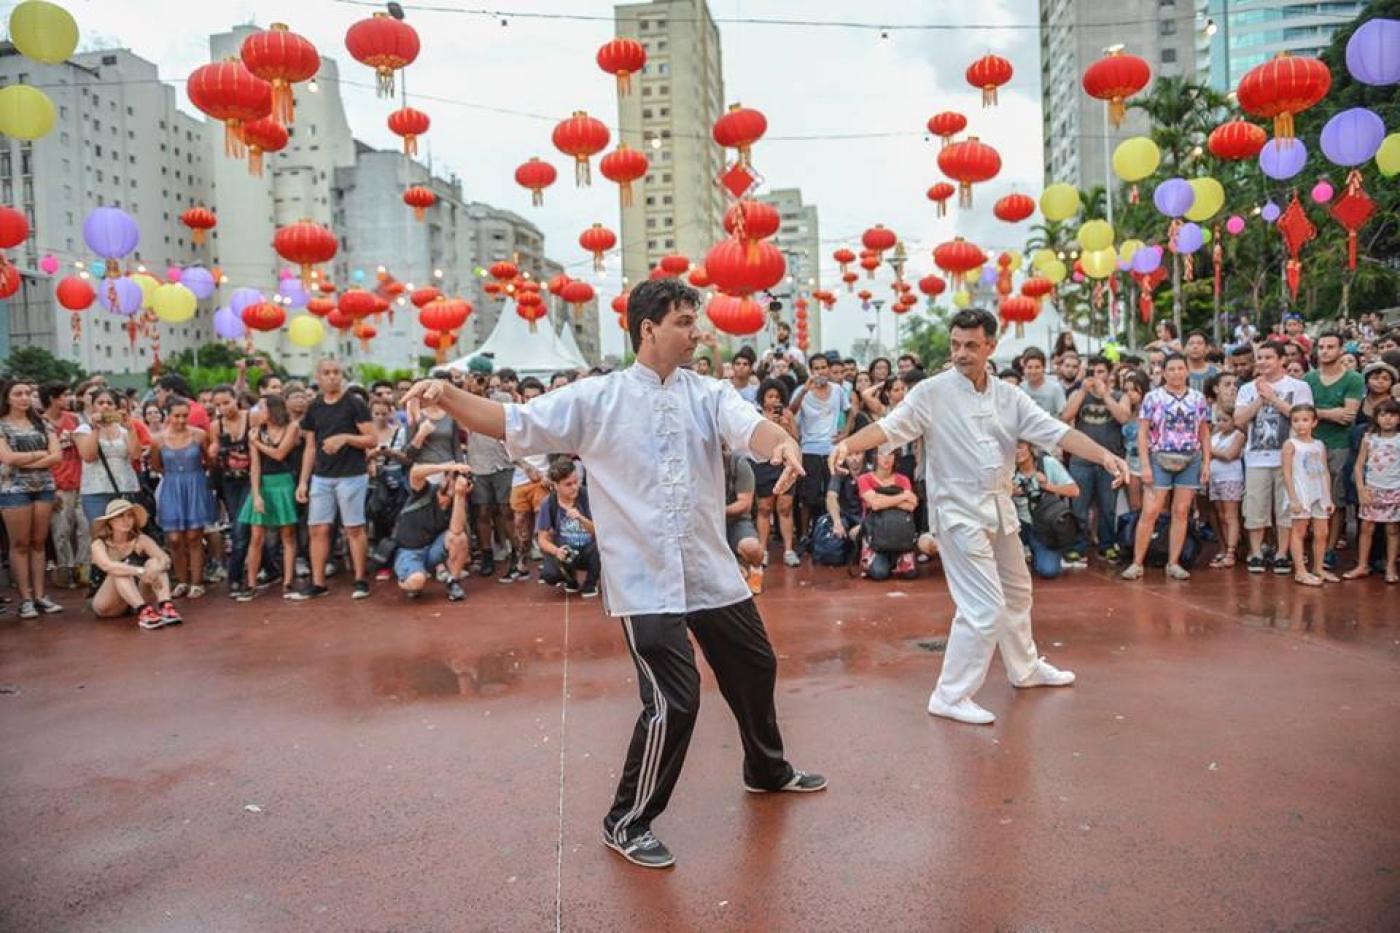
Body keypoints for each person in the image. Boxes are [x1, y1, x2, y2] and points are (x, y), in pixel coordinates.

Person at [402, 277, 825, 870]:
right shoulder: (594, 399)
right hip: (644, 580)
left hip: (709, 569)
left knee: (755, 665)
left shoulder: (708, 392)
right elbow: (511, 421)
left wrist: (782, 445)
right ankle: (626, 822)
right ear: (648, 328)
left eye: (694, 320)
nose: (695, 331)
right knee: (674, 703)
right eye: (683, 321)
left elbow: (753, 428)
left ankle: (766, 767)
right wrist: (446, 394)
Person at [832, 308, 1131, 726]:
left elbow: (1056, 433)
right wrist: (848, 446)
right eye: (956, 345)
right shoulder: (931, 392)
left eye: (971, 345)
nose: (961, 353)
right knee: (983, 606)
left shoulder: (1009, 397)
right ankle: (950, 695)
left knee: (1017, 592)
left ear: (991, 346)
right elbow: (890, 427)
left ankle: (1024, 668)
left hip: (999, 507)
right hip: (957, 513)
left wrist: (1105, 456)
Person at [1122, 355, 1212, 581]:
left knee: (1181, 511)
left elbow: (1204, 431)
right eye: (1170, 369)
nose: (1176, 373)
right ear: (1163, 373)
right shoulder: (1153, 398)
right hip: (1159, 456)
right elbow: (1142, 432)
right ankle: (1137, 562)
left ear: (1187, 371)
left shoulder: (1198, 398)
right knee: (1150, 511)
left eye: (1180, 368)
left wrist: (1206, 462)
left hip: (1190, 458)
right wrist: (1145, 465)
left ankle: (1173, 562)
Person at [293, 358, 376, 600]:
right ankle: (318, 583)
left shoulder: (355, 403)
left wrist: (345, 438)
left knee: (354, 528)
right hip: (321, 476)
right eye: (327, 372)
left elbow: (372, 439)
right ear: (318, 376)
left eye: (336, 372)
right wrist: (303, 481)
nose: (332, 377)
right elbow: (309, 446)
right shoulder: (315, 406)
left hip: (352, 474)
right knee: (317, 529)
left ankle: (360, 579)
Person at [1235, 341, 1314, 574]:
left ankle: (1282, 553)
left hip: (1288, 456)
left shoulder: (1299, 386)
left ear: (1282, 360)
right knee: (1255, 505)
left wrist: (1274, 398)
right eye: (1260, 357)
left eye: (1269, 357)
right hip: (1256, 457)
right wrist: (1260, 398)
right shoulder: (1248, 389)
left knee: (1285, 506)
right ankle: (1257, 552)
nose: (1263, 362)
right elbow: (1239, 420)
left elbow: (1303, 417)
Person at [0, 379, 62, 619]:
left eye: (27, 393)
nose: (25, 397)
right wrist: (39, 455)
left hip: (44, 486)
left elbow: (56, 456)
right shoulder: (2, 425)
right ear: (7, 398)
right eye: (18, 394)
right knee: (19, 543)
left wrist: (25, 459)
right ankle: (25, 598)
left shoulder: (42, 422)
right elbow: (7, 458)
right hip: (13, 488)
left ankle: (40, 595)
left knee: (39, 541)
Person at [1062, 355, 1132, 564]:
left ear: (1110, 374)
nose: (1096, 376)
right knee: (1079, 507)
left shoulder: (1120, 395)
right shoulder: (1077, 393)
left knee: (1108, 508)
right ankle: (1078, 547)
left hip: (1110, 460)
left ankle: (1107, 546)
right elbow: (1066, 417)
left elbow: (1124, 418)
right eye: (1092, 372)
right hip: (1081, 459)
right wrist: (1083, 390)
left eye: (1101, 372)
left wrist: (1105, 395)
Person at [1304, 331, 1364, 568]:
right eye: (1321, 347)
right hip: (1311, 444)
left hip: (1340, 445)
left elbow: (1347, 417)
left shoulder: (1354, 379)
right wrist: (1330, 413)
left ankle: (1328, 549)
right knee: (1309, 496)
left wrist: (1316, 413)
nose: (1325, 351)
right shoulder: (1308, 379)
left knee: (1335, 500)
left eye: (1331, 347)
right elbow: (1302, 412)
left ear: (1341, 350)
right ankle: (1310, 547)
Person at [237, 394, 301, 601]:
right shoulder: (256, 431)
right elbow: (254, 466)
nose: (258, 412)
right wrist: (256, 494)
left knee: (287, 534)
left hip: (283, 482)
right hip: (264, 483)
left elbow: (280, 454)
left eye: (262, 407)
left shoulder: (291, 427)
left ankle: (288, 581)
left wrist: (256, 443)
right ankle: (252, 583)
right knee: (256, 536)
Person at [151, 398, 214, 598]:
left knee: (194, 536)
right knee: (174, 538)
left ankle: (196, 581)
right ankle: (181, 580)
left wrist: (196, 475)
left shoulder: (200, 435)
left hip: (195, 484)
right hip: (171, 486)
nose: (181, 420)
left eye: (184, 416)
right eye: (176, 416)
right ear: (168, 415)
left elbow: (209, 460)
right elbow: (156, 465)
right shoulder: (158, 440)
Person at [788, 353, 847, 561]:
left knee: (830, 495)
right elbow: (790, 412)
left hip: (831, 450)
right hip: (809, 450)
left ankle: (825, 534)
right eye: (816, 368)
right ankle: (803, 535)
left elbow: (850, 412)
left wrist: (845, 434)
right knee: (807, 498)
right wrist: (805, 388)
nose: (821, 372)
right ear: (811, 370)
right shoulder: (802, 391)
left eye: (824, 367)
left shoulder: (839, 390)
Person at [88, 499, 181, 628]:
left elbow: (165, 558)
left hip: (139, 595)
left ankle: (165, 605)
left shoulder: (141, 540)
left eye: (129, 516)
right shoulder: (99, 544)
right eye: (120, 516)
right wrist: (141, 571)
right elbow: (107, 566)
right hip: (109, 603)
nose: (126, 520)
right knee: (119, 571)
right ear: (111, 521)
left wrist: (156, 568)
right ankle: (143, 611)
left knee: (155, 562)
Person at [463, 362, 515, 577]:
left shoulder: (503, 399)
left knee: (506, 511)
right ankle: (486, 555)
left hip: (503, 461)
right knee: (482, 511)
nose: (480, 380)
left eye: (483, 376)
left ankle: (515, 554)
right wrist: (468, 392)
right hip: (477, 463)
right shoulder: (464, 400)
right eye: (476, 376)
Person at [391, 461, 470, 601]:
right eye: (454, 477)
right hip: (408, 551)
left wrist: (459, 496)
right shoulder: (425, 491)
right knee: (416, 582)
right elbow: (415, 472)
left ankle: (453, 582)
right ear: (445, 478)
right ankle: (405, 578)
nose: (456, 482)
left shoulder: (458, 502)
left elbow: (456, 530)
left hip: (431, 551)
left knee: (460, 538)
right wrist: (448, 467)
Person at [1281, 405, 1336, 586]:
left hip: (1318, 492)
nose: (1300, 424)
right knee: (1299, 531)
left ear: (1314, 423)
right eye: (1296, 420)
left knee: (1322, 532)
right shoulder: (1290, 444)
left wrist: (1328, 496)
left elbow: (1325, 471)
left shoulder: (1319, 445)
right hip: (1300, 492)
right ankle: (1300, 571)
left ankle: (1318, 567)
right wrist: (1293, 498)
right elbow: (1287, 473)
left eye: (1305, 420)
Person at [1345, 399, 1400, 583]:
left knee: (1392, 529)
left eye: (1392, 415)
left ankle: (1391, 566)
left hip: (1394, 490)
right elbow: (1359, 465)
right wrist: (1361, 488)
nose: (1388, 420)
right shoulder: (1369, 438)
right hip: (1372, 489)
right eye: (1383, 415)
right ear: (1376, 417)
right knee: (1367, 527)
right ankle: (1362, 564)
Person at [1011, 441, 1080, 580]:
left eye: (1020, 447)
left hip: (1044, 527)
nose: (1017, 452)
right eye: (1013, 448)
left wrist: (1048, 486)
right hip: (1018, 525)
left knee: (1049, 571)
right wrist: (1008, 491)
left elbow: (1074, 491)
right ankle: (1020, 552)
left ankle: (1037, 552)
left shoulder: (1048, 463)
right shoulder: (1006, 468)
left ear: (1030, 447)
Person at [42, 382, 88, 590]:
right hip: (58, 483)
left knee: (85, 528)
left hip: (81, 480)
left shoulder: (75, 419)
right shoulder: (41, 423)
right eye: (64, 395)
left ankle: (82, 569)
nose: (68, 399)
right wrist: (49, 489)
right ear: (52, 398)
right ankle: (65, 570)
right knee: (61, 531)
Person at [208, 385, 253, 598]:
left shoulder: (251, 418)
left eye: (226, 402)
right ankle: (236, 577)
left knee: (245, 527)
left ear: (236, 400)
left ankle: (242, 575)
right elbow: (214, 453)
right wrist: (214, 451)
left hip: (252, 478)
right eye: (218, 405)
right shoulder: (216, 425)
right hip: (229, 481)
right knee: (239, 528)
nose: (223, 408)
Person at [505, 377, 551, 583]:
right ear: (520, 398)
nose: (532, 401)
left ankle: (550, 564)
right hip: (521, 479)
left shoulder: (551, 419)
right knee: (520, 523)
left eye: (536, 397)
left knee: (545, 522)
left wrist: (549, 475)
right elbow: (507, 448)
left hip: (544, 478)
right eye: (528, 397)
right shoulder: (514, 419)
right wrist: (526, 467)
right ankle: (520, 561)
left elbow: (561, 449)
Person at [536, 458, 600, 597]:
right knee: (549, 574)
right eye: (568, 484)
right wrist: (556, 551)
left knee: (600, 546)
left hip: (589, 550)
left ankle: (591, 582)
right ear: (556, 485)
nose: (574, 487)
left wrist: (581, 519)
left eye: (576, 482)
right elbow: (542, 539)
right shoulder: (549, 503)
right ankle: (570, 578)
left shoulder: (587, 496)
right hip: (567, 550)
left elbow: (600, 532)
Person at [751, 379, 798, 570]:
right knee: (764, 507)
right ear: (762, 398)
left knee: (785, 507)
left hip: (786, 465)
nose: (773, 400)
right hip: (764, 464)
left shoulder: (788, 414)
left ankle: (788, 550)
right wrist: (768, 424)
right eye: (769, 396)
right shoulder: (755, 416)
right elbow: (753, 442)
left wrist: (786, 425)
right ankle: (762, 550)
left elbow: (796, 440)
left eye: (777, 397)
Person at [856, 450, 918, 580]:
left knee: (909, 574)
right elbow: (874, 504)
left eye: (891, 454)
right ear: (875, 457)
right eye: (883, 453)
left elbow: (911, 505)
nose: (887, 458)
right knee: (880, 573)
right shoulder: (864, 479)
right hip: (876, 535)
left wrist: (882, 499)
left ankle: (896, 560)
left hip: (900, 534)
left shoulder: (903, 479)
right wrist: (902, 497)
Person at [1207, 409, 1247, 569]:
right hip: (1215, 478)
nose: (1220, 423)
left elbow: (1230, 454)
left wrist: (1210, 450)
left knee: (1230, 516)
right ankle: (1227, 549)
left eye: (1225, 420)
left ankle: (1231, 551)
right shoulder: (1215, 437)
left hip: (1231, 478)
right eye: (1219, 419)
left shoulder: (1238, 436)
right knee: (1222, 515)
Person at [721, 447, 763, 594]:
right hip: (704, 524)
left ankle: (756, 570)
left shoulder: (738, 463)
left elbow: (744, 504)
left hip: (734, 521)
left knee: (751, 547)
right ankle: (734, 568)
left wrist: (716, 511)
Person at [1019, 347, 1065, 418]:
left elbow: (1063, 415)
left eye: (1037, 367)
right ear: (1024, 368)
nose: (1033, 371)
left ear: (1044, 368)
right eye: (1029, 367)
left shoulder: (1055, 388)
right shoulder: (1021, 388)